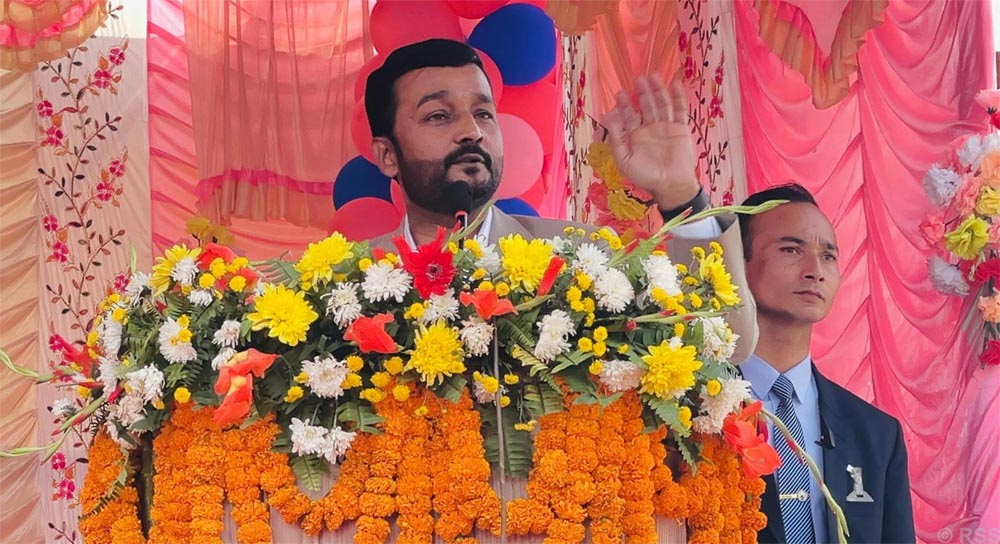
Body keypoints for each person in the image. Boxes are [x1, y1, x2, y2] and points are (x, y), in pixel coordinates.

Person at [363, 38, 757, 362]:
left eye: (483, 113)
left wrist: (679, 192)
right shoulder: (345, 283)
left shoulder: (583, 257)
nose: (472, 131)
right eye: (438, 116)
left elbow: (727, 340)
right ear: (387, 155)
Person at [738, 183, 915, 544]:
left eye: (828, 256)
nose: (815, 271)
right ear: (740, 264)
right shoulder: (691, 411)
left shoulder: (877, 435)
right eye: (791, 249)